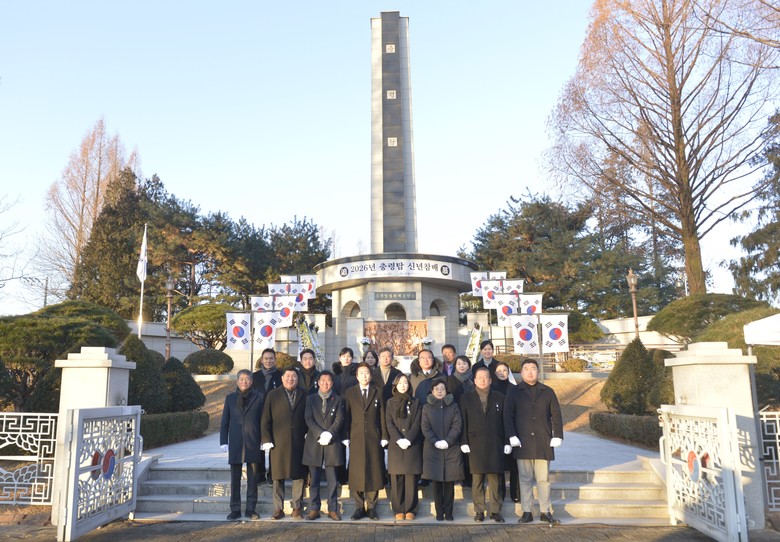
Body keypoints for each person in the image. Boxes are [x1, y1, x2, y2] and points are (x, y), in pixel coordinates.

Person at [504, 358, 564, 525]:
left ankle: (545, 511)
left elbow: (556, 415)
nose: (530, 372)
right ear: (521, 372)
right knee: (524, 479)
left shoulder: (547, 391)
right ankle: (527, 511)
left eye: (533, 368)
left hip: (543, 441)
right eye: (526, 369)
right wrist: (511, 435)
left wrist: (558, 435)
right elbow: (508, 416)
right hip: (522, 442)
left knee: (543, 480)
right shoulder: (514, 392)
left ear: (538, 371)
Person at [459, 367, 508, 523]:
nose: (482, 380)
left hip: (495, 442)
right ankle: (479, 510)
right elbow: (463, 421)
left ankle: (495, 511)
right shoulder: (466, 398)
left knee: (495, 479)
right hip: (475, 443)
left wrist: (507, 441)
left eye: (485, 377)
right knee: (477, 479)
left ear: (490, 380)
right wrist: (463, 441)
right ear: (474, 380)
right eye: (479, 377)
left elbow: (506, 421)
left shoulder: (500, 397)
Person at [261, 368, 308, 520]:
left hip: (299, 440)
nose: (290, 379)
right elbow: (265, 419)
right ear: (282, 378)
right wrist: (266, 439)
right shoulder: (273, 394)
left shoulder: (304, 394)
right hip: (278, 442)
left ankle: (297, 507)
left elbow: (308, 416)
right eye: (287, 376)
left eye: (294, 376)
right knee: (277, 476)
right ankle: (278, 508)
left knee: (298, 475)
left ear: (297, 379)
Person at [343, 362, 387, 520]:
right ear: (357, 376)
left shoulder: (378, 391)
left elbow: (382, 415)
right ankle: (359, 507)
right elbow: (346, 415)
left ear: (371, 375)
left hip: (374, 437)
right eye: (361, 373)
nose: (364, 376)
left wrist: (384, 436)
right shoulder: (350, 392)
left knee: (373, 470)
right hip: (356, 436)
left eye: (367, 373)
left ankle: (372, 507)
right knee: (356, 471)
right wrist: (345, 436)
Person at [220, 370, 264, 520]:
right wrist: (223, 441)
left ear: (251, 381)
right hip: (236, 442)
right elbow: (225, 421)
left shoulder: (259, 397)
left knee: (253, 479)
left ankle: (251, 509)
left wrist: (264, 439)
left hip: (253, 441)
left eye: (247, 379)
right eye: (242, 379)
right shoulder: (230, 398)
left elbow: (263, 420)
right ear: (237, 381)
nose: (244, 382)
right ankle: (235, 509)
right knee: (235, 479)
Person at [302, 371, 345, 521]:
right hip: (315, 441)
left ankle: (333, 509)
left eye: (328, 381)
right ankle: (314, 509)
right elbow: (308, 418)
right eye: (323, 380)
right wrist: (320, 434)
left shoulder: (338, 399)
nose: (325, 383)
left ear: (332, 383)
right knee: (314, 479)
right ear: (318, 382)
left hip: (332, 442)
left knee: (332, 479)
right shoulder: (311, 399)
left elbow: (340, 419)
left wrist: (329, 434)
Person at [421, 378, 463, 521]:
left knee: (449, 482)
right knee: (437, 482)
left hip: (451, 449)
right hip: (433, 449)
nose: (439, 391)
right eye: (436, 389)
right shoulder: (427, 408)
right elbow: (425, 427)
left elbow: (457, 425)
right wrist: (435, 441)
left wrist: (447, 441)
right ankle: (439, 512)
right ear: (432, 391)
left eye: (442, 389)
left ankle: (449, 512)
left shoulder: (454, 406)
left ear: (446, 391)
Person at [385, 373, 423, 520]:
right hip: (396, 445)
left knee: (411, 478)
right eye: (400, 383)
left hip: (412, 444)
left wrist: (409, 439)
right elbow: (389, 423)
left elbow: (417, 422)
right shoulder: (390, 402)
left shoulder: (416, 402)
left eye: (405, 383)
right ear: (395, 385)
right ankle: (398, 508)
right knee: (397, 478)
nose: (403, 385)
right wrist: (399, 439)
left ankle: (411, 508)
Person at [252, 348, 282, 484]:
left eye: (271, 358)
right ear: (262, 360)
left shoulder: (281, 375)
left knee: (274, 446)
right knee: (258, 446)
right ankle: (259, 474)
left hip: (276, 416)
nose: (268, 361)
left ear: (275, 360)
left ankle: (272, 474)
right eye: (266, 358)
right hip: (258, 416)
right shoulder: (255, 376)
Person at [492, 361, 520, 503]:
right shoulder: (492, 388)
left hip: (513, 428)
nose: (502, 372)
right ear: (495, 373)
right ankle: (501, 492)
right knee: (500, 464)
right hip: (497, 429)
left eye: (505, 370)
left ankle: (516, 493)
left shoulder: (515, 388)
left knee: (514, 464)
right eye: (499, 370)